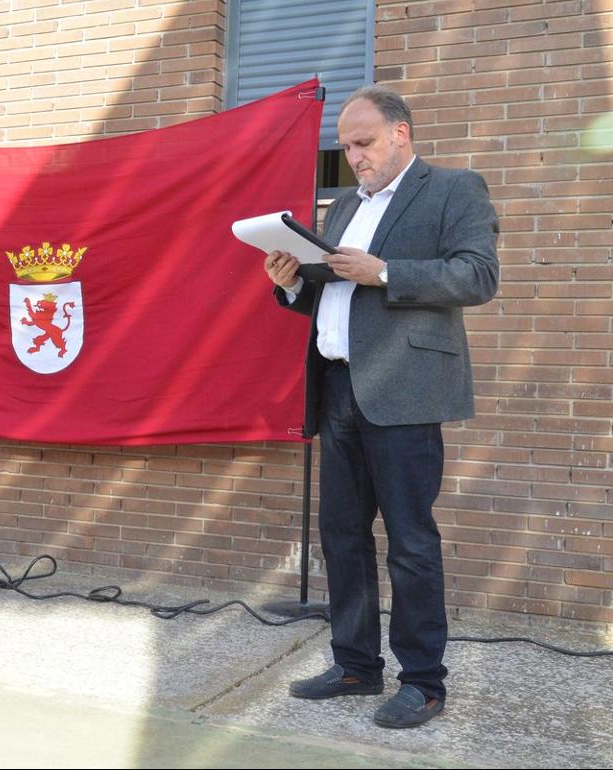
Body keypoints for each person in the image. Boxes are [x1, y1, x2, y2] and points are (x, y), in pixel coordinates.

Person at [264, 84, 499, 728]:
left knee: (410, 543)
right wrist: (290, 286)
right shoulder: (342, 205)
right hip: (337, 388)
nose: (354, 156)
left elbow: (478, 275)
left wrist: (387, 271)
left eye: (363, 143)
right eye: (345, 146)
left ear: (401, 133)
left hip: (404, 392)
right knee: (341, 536)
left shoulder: (454, 190)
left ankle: (422, 681)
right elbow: (332, 296)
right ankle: (355, 665)